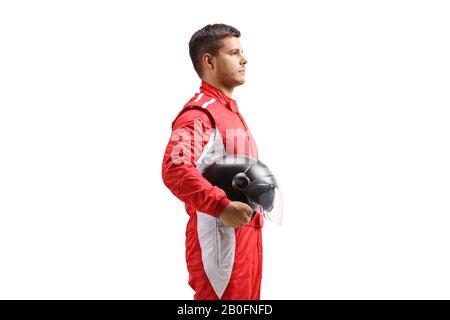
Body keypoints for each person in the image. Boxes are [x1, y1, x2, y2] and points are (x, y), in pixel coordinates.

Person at [161, 23, 263, 300]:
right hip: (220, 244)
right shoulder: (200, 113)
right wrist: (220, 205)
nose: (244, 59)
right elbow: (175, 168)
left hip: (246, 238)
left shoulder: (229, 112)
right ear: (209, 60)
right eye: (234, 53)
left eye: (242, 52)